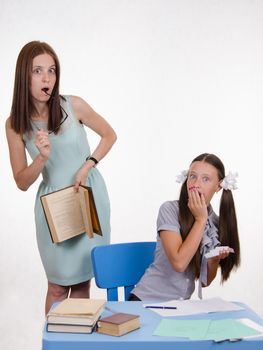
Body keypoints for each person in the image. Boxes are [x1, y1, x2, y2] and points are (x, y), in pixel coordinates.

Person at [6, 41, 117, 315]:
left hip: (87, 197)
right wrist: (41, 158)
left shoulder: (73, 105)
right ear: (24, 76)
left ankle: (75, 343)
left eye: (52, 70)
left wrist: (88, 165)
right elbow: (21, 181)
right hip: (53, 207)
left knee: (81, 285)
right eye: (38, 71)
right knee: (57, 287)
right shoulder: (15, 124)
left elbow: (109, 134)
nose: (47, 78)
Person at [129, 153, 240, 301]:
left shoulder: (214, 223)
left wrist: (214, 261)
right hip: (146, 301)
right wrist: (200, 220)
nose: (196, 184)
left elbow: (205, 282)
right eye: (192, 176)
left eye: (205, 179)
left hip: (180, 306)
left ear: (218, 186)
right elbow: (179, 263)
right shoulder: (169, 209)